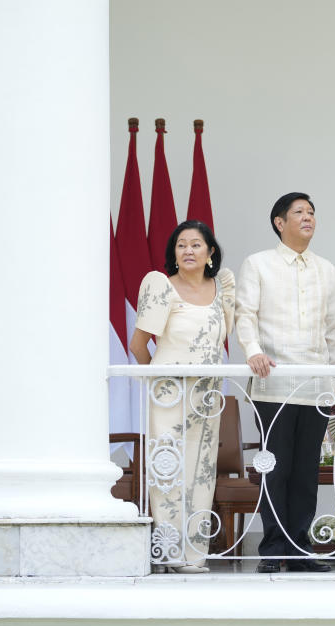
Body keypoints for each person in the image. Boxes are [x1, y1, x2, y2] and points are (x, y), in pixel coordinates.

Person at [235, 192, 335, 574]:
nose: (308, 217)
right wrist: (252, 350)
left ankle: (300, 548)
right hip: (274, 383)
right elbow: (245, 315)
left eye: (312, 212)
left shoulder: (327, 269)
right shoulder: (258, 264)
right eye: (299, 212)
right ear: (279, 222)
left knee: (305, 471)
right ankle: (272, 547)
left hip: (315, 384)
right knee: (274, 468)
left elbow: (334, 331)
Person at [130, 220, 235, 574]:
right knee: (168, 470)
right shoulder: (161, 286)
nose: (188, 251)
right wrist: (161, 381)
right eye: (181, 245)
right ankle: (171, 553)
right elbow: (138, 345)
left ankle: (195, 555)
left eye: (195, 244)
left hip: (206, 397)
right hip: (170, 395)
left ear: (211, 253)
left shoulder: (223, 289)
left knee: (201, 471)